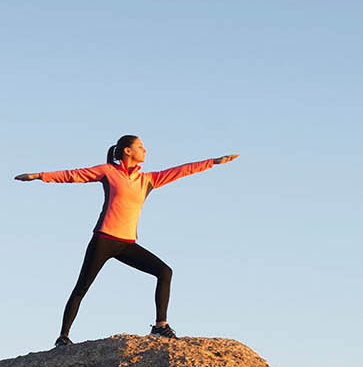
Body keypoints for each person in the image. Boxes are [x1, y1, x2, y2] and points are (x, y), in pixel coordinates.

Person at [16, 135, 238, 347]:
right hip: (103, 240)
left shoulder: (147, 180)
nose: (145, 150)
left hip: (127, 244)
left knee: (164, 272)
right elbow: (75, 174)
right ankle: (63, 337)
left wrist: (213, 162)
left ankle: (160, 326)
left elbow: (180, 171)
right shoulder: (109, 172)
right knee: (82, 287)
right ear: (127, 151)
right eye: (141, 146)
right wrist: (39, 175)